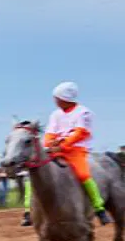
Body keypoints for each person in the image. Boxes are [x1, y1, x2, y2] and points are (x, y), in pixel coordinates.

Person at [42, 81, 110, 225]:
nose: (55, 100)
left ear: (65, 98)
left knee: (83, 174)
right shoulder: (55, 114)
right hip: (56, 149)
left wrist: (62, 145)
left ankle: (99, 207)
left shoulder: (83, 113)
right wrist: (49, 143)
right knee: (37, 169)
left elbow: (80, 133)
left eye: (57, 98)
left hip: (76, 150)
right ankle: (28, 210)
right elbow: (49, 132)